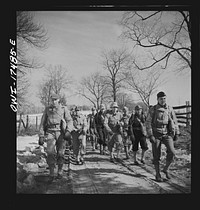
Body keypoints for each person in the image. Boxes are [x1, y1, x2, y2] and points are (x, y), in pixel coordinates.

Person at [146, 91, 180, 182]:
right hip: (156, 134)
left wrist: (176, 133)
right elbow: (148, 122)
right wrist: (150, 135)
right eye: (161, 99)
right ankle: (157, 174)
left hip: (166, 133)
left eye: (164, 98)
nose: (163, 100)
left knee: (172, 152)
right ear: (157, 99)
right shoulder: (153, 109)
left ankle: (166, 169)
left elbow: (174, 121)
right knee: (156, 155)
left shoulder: (169, 108)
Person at [38, 93, 73, 180]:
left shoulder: (63, 109)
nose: (53, 101)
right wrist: (41, 135)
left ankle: (60, 170)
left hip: (60, 132)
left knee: (60, 153)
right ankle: (52, 172)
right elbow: (42, 123)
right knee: (50, 152)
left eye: (55, 100)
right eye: (52, 100)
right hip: (50, 132)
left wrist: (68, 131)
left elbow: (69, 121)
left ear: (58, 100)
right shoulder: (47, 109)